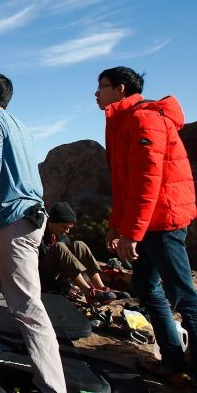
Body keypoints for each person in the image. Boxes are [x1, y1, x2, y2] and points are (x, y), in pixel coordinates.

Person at [0, 73, 66, 393]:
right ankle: (42, 366)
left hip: (18, 219)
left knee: (27, 306)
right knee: (10, 286)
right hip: (34, 215)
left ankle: (52, 386)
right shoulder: (19, 124)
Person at [95, 66, 197, 385]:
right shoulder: (123, 120)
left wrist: (131, 233)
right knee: (146, 287)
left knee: (182, 293)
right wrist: (116, 225)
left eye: (102, 86)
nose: (96, 93)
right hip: (149, 221)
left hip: (162, 220)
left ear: (121, 89)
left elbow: (147, 181)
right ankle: (173, 362)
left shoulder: (144, 118)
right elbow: (124, 183)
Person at [39, 202, 128, 304]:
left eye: (69, 228)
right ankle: (88, 292)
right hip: (44, 278)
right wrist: (65, 289)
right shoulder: (39, 234)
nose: (67, 231)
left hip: (60, 276)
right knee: (59, 247)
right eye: (64, 227)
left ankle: (101, 288)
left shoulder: (62, 236)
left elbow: (69, 261)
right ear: (52, 221)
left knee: (79, 244)